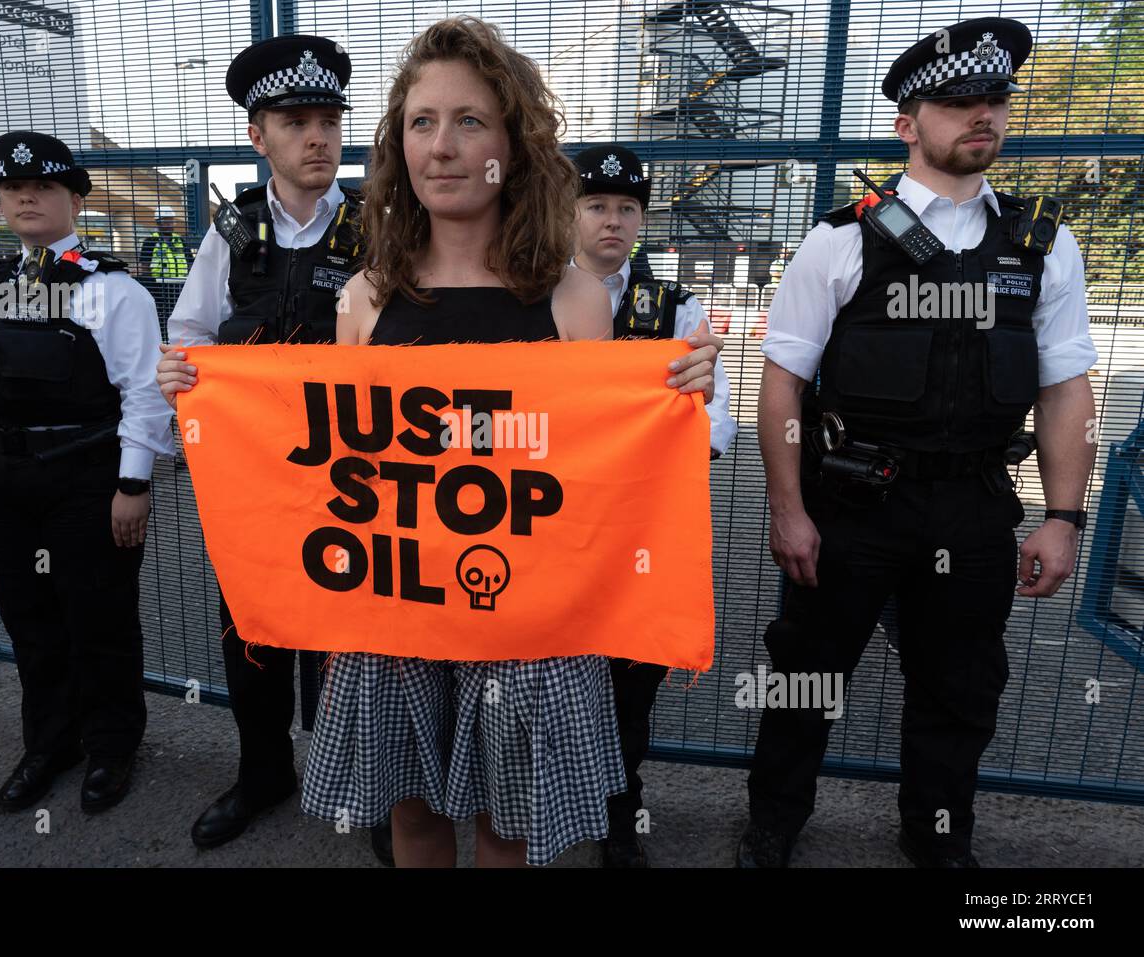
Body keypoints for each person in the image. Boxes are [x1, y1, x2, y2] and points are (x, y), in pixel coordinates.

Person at [300, 15, 725, 868]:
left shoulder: (573, 301)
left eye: (470, 121)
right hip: (401, 609)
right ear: (397, 145)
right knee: (413, 812)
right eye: (422, 122)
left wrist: (675, 400)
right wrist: (202, 396)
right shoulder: (364, 299)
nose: (444, 147)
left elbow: (600, 470)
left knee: (510, 820)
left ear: (512, 143)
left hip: (532, 615)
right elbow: (346, 461)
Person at [739, 17, 1098, 868]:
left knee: (959, 687)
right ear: (908, 123)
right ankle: (773, 821)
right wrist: (788, 510)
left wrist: (1065, 517)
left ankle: (938, 835)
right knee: (806, 679)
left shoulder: (1043, 247)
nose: (983, 114)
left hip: (972, 507)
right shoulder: (840, 239)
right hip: (853, 501)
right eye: (957, 100)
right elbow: (782, 385)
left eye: (995, 99)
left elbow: (1064, 389)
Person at [153, 35, 389, 856]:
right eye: (296, 122)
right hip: (251, 486)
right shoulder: (232, 234)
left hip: (353, 484)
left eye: (328, 120)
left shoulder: (377, 230)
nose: (318, 137)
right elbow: (186, 335)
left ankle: (365, 781)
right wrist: (182, 375)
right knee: (251, 635)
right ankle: (264, 773)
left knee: (355, 638)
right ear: (260, 138)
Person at [0, 131, 173, 813]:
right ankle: (50, 741)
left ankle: (111, 744)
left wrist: (133, 485)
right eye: (11, 189)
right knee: (30, 619)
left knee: (98, 616)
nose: (24, 197)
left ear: (75, 198)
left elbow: (145, 394)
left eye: (41, 187)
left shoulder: (112, 290)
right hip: (3, 480)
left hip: (85, 480)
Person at [570, 142, 738, 867]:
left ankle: (619, 809)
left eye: (627, 209)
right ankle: (529, 799)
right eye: (597, 206)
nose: (613, 222)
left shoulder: (676, 307)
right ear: (570, 213)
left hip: (640, 531)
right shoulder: (529, 296)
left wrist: (692, 402)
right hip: (553, 526)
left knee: (629, 683)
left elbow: (719, 424)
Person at [139, 207, 194, 280]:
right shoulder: (150, 241)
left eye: (171, 222)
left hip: (181, 285)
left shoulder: (180, 240)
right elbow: (145, 268)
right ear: (158, 223)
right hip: (160, 287)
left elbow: (190, 264)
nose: (170, 225)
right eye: (166, 222)